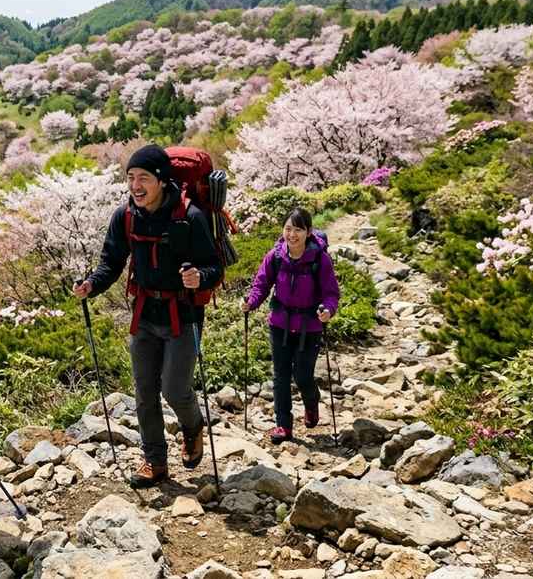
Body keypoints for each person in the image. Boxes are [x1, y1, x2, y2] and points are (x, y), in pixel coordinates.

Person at [72, 144, 223, 488]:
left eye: (143, 178)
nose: (135, 186)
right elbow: (112, 261)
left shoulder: (190, 217)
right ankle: (154, 461)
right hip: (144, 313)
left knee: (174, 389)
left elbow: (213, 265)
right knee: (144, 392)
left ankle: (193, 425)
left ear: (162, 180)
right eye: (130, 178)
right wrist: (91, 285)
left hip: (183, 314)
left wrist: (200, 277)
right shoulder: (125, 215)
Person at [242, 207, 340, 445]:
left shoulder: (320, 259)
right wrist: (250, 303)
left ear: (308, 232)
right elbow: (261, 285)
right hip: (280, 325)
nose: (292, 234)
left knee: (303, 376)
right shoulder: (275, 256)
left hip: (310, 327)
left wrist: (327, 310)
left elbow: (331, 293)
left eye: (298, 229)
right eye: (288, 228)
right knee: (281, 376)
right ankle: (283, 425)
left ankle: (311, 403)